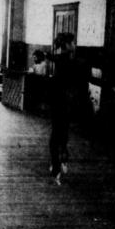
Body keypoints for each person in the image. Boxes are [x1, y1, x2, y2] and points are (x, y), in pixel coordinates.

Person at [46, 33, 76, 185]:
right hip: (61, 101)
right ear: (67, 45)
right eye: (72, 43)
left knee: (60, 132)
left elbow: (53, 57)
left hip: (60, 100)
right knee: (59, 132)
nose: (74, 45)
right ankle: (57, 164)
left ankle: (59, 161)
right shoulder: (67, 61)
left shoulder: (63, 60)